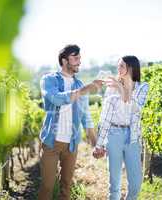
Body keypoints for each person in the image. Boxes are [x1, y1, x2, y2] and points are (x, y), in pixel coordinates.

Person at [38, 44, 103, 200]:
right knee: (47, 186)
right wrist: (86, 89)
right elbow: (56, 99)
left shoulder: (79, 85)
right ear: (64, 60)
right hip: (51, 143)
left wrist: (96, 144)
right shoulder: (49, 80)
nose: (79, 62)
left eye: (79, 58)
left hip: (72, 144)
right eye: (75, 58)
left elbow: (85, 117)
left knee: (66, 186)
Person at [93, 55, 149, 200]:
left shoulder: (142, 87)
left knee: (136, 184)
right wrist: (99, 144)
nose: (118, 68)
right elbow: (105, 117)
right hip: (114, 134)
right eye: (118, 66)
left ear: (130, 68)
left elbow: (136, 106)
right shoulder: (111, 89)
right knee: (114, 184)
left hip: (133, 136)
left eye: (121, 66)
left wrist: (119, 87)